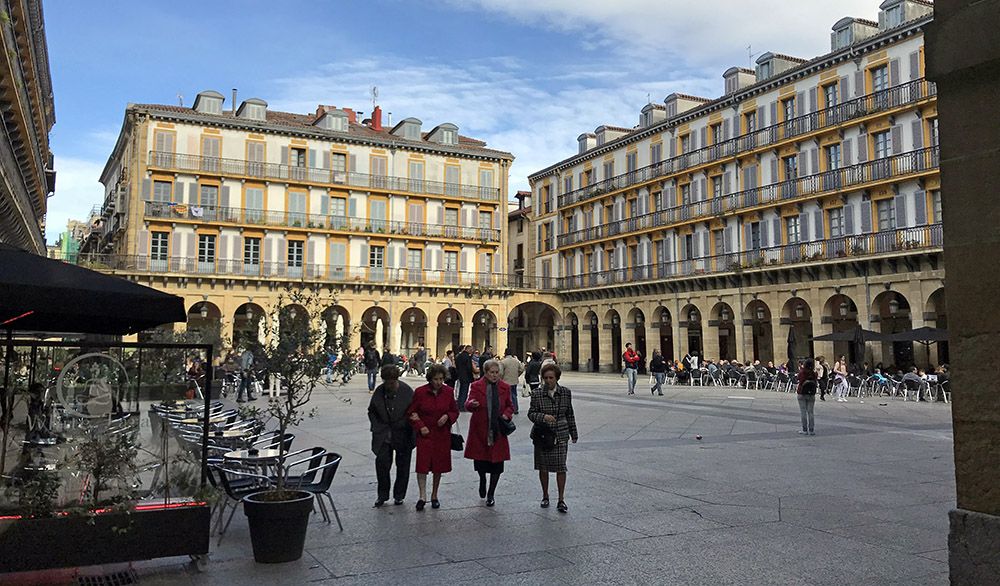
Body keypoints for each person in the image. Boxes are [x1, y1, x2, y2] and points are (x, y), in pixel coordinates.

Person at [528, 363, 579, 513]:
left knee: (561, 467)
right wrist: (543, 417)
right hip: (543, 435)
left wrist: (573, 433)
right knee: (543, 468)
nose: (548, 381)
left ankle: (561, 499)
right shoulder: (537, 394)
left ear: (557, 378)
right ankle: (545, 495)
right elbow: (531, 413)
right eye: (545, 378)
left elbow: (570, 413)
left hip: (561, 434)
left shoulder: (565, 393)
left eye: (551, 378)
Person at [407, 364, 458, 511]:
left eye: (441, 379)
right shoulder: (420, 392)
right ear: (430, 379)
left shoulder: (448, 392)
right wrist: (420, 425)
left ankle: (434, 495)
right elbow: (411, 412)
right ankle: (422, 496)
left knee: (438, 466)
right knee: (422, 466)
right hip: (426, 434)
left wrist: (447, 417)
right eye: (436, 379)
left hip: (442, 434)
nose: (439, 382)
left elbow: (454, 410)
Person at [464, 359, 514, 507]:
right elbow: (467, 403)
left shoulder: (505, 387)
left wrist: (506, 414)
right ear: (485, 373)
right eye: (491, 372)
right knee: (481, 462)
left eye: (497, 372)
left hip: (498, 429)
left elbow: (510, 406)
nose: (494, 375)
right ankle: (482, 479)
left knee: (497, 464)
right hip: (481, 429)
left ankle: (491, 493)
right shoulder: (476, 386)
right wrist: (471, 404)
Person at [367, 366, 415, 507]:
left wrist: (406, 424)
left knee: (403, 466)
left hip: (403, 435)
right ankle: (382, 495)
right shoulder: (379, 391)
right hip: (383, 436)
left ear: (397, 380)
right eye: (387, 382)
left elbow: (413, 411)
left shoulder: (407, 391)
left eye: (392, 382)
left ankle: (399, 495)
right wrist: (376, 426)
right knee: (382, 466)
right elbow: (371, 411)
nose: (389, 385)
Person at [796, 358, 818, 435]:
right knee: (810, 412)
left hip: (802, 393)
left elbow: (799, 380)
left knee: (803, 412)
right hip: (811, 394)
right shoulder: (814, 373)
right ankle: (811, 430)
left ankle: (804, 430)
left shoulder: (802, 372)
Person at [500, 348, 524, 414]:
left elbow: (501, 373)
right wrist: (517, 375)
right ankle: (515, 409)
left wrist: (501, 379)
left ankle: (507, 409)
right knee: (514, 395)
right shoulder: (516, 361)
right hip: (514, 380)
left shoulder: (503, 361)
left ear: (505, 353)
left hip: (505, 381)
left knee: (506, 396)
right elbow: (522, 369)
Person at [455, 345, 474, 411]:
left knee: (461, 391)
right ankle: (462, 406)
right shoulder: (467, 357)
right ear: (468, 349)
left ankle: (459, 405)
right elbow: (469, 367)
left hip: (460, 375)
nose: (472, 351)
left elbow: (457, 365)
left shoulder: (459, 356)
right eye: (471, 350)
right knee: (464, 391)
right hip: (466, 376)